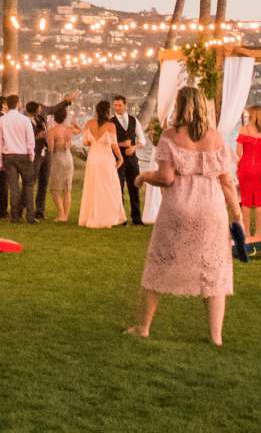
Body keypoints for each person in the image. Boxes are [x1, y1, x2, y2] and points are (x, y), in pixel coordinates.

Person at [126, 83, 241, 347]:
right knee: (214, 270)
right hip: (212, 209)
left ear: (180, 106)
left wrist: (143, 176)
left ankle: (143, 327)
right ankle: (216, 337)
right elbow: (226, 181)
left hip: (179, 207)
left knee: (160, 263)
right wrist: (236, 213)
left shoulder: (170, 135)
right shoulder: (217, 138)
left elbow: (166, 178)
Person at [78, 99, 124, 228]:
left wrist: (94, 142)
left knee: (92, 187)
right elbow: (114, 145)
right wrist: (120, 158)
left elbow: (85, 143)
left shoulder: (88, 123)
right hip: (105, 158)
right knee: (110, 187)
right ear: (107, 111)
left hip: (93, 158)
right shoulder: (111, 126)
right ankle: (106, 216)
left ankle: (90, 216)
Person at [0, 94, 37, 224]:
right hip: (23, 155)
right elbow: (30, 141)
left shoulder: (1, 121)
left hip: (8, 156)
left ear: (7, 105)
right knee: (28, 185)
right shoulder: (25, 120)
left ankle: (14, 217)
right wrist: (31, 155)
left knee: (13, 187)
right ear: (18, 104)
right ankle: (30, 216)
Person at [235, 106, 261, 236]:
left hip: (245, 168)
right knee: (259, 202)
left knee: (245, 202)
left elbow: (238, 153)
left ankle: (246, 231)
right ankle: (258, 232)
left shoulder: (244, 129)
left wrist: (237, 167)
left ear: (251, 115)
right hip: (260, 169)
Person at [111, 95, 144, 224]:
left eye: (119, 105)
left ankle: (136, 219)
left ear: (125, 105)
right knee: (118, 189)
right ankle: (121, 219)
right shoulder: (110, 122)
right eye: (115, 105)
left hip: (132, 160)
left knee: (134, 188)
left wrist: (134, 147)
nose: (117, 108)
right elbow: (108, 143)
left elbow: (142, 140)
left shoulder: (134, 120)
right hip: (118, 161)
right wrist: (122, 145)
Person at [44, 102, 78, 223]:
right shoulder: (69, 129)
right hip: (68, 157)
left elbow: (50, 148)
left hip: (57, 158)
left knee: (55, 189)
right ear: (65, 117)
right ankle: (66, 215)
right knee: (67, 188)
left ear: (54, 117)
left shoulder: (52, 131)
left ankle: (61, 214)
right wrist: (74, 125)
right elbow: (80, 131)